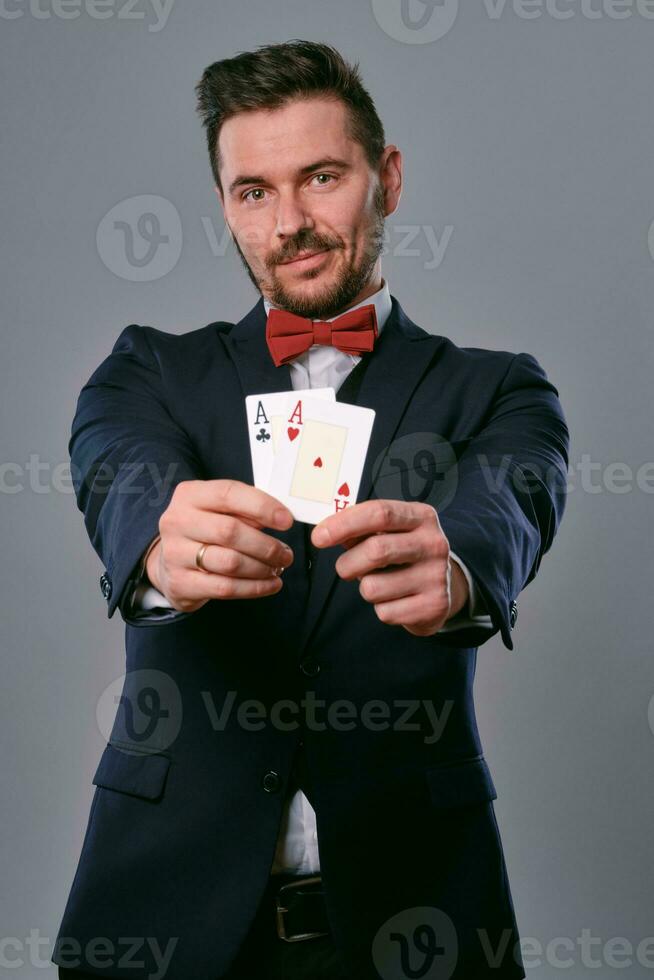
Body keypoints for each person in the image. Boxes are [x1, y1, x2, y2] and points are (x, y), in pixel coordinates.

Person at [53, 39, 569, 980]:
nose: (289, 222)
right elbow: (119, 478)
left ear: (389, 179)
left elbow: (512, 501)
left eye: (322, 177)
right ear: (225, 207)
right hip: (162, 921)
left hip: (420, 920)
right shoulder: (148, 371)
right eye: (254, 192)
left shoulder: (498, 390)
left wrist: (456, 567)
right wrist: (160, 554)